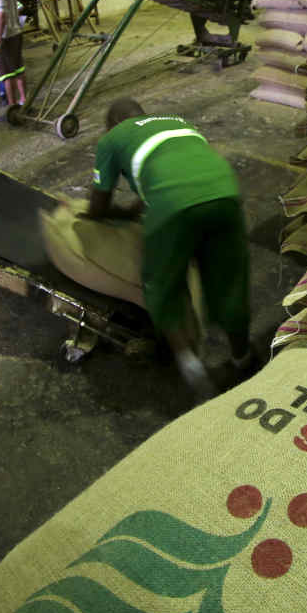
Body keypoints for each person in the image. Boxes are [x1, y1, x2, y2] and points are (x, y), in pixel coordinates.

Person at [87, 98, 256, 398]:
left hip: (173, 205)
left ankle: (191, 366)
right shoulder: (177, 123)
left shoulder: (112, 139)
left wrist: (109, 215)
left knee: (162, 283)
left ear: (112, 124)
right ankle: (243, 357)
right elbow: (177, 172)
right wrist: (135, 209)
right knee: (229, 280)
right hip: (224, 192)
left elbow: (98, 205)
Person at [0, 0, 27, 107]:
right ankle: (24, 100)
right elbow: (16, 8)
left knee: (7, 74)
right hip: (16, 33)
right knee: (18, 69)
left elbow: (2, 16)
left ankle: (12, 106)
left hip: (5, 38)